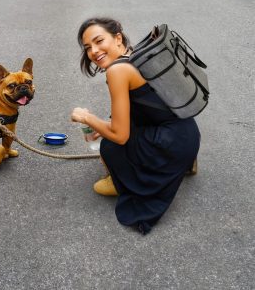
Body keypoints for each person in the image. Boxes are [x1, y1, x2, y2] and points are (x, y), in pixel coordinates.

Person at [71, 17, 200, 235]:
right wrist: (103, 126)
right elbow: (142, 107)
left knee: (110, 147)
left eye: (99, 40)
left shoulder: (117, 71)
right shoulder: (135, 55)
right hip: (187, 132)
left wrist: (87, 118)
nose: (93, 51)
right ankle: (184, 163)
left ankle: (126, 180)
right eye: (87, 48)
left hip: (172, 142)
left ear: (117, 37)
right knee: (110, 134)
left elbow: (120, 136)